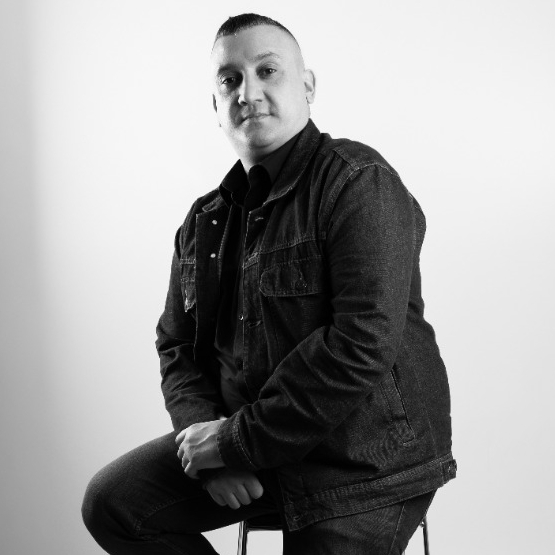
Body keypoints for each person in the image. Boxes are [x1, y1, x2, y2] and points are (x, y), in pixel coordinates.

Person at [82, 13, 456, 555]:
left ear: (307, 86)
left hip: (361, 463)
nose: (248, 92)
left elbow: (361, 344)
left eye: (267, 70)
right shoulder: (203, 221)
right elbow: (177, 346)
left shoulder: (359, 182)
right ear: (215, 105)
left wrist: (233, 444)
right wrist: (207, 445)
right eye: (229, 79)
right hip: (252, 448)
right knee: (113, 504)